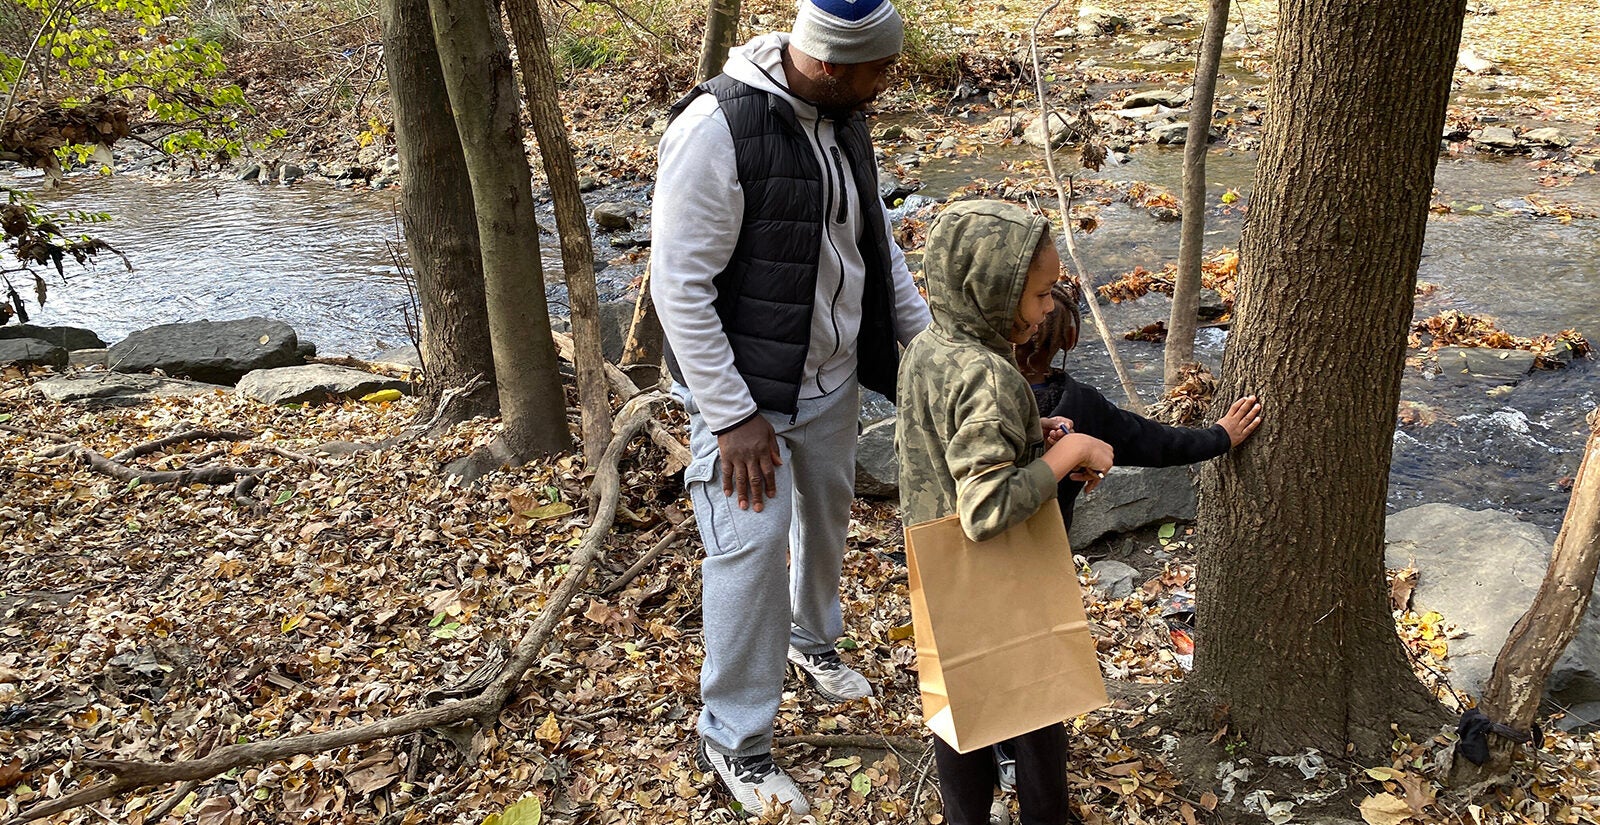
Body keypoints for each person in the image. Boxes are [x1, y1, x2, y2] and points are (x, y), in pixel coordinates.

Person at [649, 0, 932, 816]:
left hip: (831, 377)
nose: (888, 83)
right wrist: (734, 417)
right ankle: (734, 736)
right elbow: (678, 287)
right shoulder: (717, 128)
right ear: (836, 67)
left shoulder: (843, 117)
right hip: (743, 397)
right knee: (752, 542)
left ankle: (813, 641)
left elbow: (871, 238)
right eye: (880, 69)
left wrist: (921, 348)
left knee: (830, 513)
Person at [895, 200, 1117, 825]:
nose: (1051, 307)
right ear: (991, 290)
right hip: (998, 563)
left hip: (940, 569)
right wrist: (1072, 448)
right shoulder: (991, 375)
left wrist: (1029, 434)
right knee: (1036, 693)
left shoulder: (930, 346)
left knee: (961, 702)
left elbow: (945, 439)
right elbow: (986, 510)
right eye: (1043, 293)